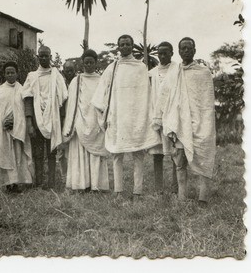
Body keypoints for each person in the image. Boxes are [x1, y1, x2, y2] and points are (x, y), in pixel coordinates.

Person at [92, 35, 161, 200]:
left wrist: (147, 116)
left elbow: (147, 94)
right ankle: (119, 192)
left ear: (132, 46)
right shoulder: (112, 67)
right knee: (117, 155)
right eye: (122, 44)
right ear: (118, 47)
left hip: (137, 117)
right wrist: (104, 115)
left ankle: (138, 192)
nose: (125, 47)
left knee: (138, 154)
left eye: (128, 44)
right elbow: (102, 91)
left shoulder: (141, 67)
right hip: (118, 118)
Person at [157, 37, 216, 205]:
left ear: (195, 50)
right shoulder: (174, 72)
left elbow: (206, 102)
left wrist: (204, 123)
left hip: (200, 123)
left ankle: (203, 197)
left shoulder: (203, 72)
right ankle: (182, 197)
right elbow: (164, 98)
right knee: (179, 161)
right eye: (182, 49)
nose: (186, 51)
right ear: (179, 51)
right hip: (180, 124)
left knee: (203, 157)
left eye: (189, 48)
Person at [22, 45, 68, 190]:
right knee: (37, 153)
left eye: (46, 55)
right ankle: (39, 182)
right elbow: (28, 99)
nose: (43, 58)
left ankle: (51, 183)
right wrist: (29, 122)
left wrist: (60, 121)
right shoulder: (32, 76)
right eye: (41, 55)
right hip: (36, 119)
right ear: (37, 57)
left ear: (50, 57)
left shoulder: (57, 76)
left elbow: (62, 99)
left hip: (53, 119)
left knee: (51, 152)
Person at [63, 49, 109, 191]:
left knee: (95, 154)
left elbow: (104, 101)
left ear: (96, 63)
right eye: (86, 62)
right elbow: (70, 105)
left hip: (96, 122)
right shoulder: (76, 81)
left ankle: (96, 185)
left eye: (91, 62)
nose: (88, 65)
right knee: (80, 153)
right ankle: (81, 184)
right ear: (82, 64)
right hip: (79, 122)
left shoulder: (102, 80)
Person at [0, 61, 34, 192]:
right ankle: (7, 184)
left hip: (17, 129)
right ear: (4, 74)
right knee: (5, 155)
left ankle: (17, 182)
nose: (10, 75)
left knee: (18, 156)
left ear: (17, 74)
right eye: (7, 72)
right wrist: (2, 122)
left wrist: (15, 121)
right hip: (3, 130)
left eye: (12, 72)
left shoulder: (22, 89)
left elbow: (23, 109)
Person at [148, 41, 178, 193]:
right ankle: (158, 189)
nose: (162, 56)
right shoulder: (152, 73)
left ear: (172, 53)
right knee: (157, 154)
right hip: (156, 116)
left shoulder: (178, 70)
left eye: (166, 53)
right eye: (160, 53)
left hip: (172, 116)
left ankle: (175, 187)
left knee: (175, 154)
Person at [58, 60, 76, 180]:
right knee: (61, 148)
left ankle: (74, 176)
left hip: (74, 119)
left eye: (71, 70)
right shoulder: (60, 83)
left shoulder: (77, 83)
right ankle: (64, 176)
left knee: (73, 149)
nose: (69, 72)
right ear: (63, 71)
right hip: (61, 119)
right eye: (67, 70)